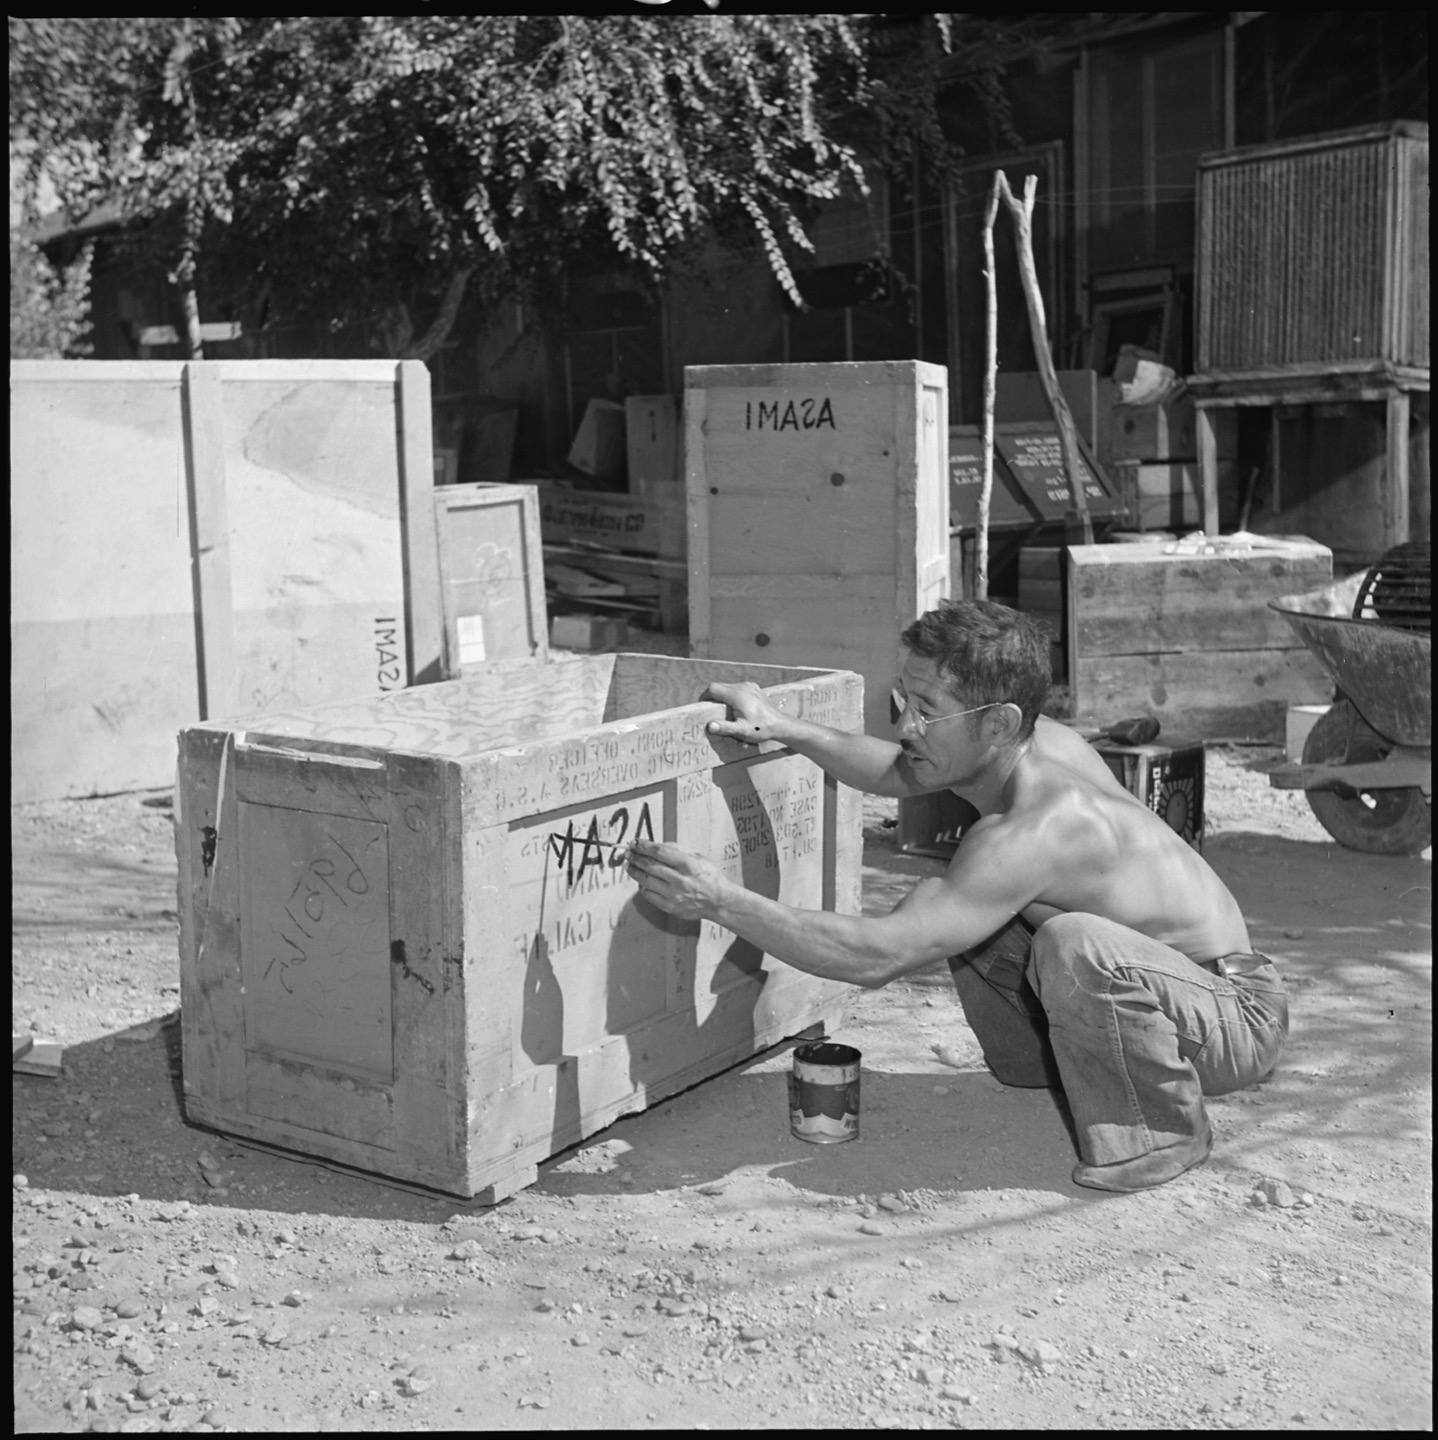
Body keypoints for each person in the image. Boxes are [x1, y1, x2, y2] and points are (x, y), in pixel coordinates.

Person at [626, 599, 1288, 1192]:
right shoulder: (1027, 743)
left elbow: (876, 956)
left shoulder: (1038, 829)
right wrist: (785, 726)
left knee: (1064, 940)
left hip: (1229, 1013)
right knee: (964, 910)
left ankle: (1161, 1132)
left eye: (927, 711)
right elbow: (895, 770)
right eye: (902, 701)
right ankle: (1061, 1067)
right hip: (1173, 989)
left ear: (997, 723)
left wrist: (718, 900)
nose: (906, 725)